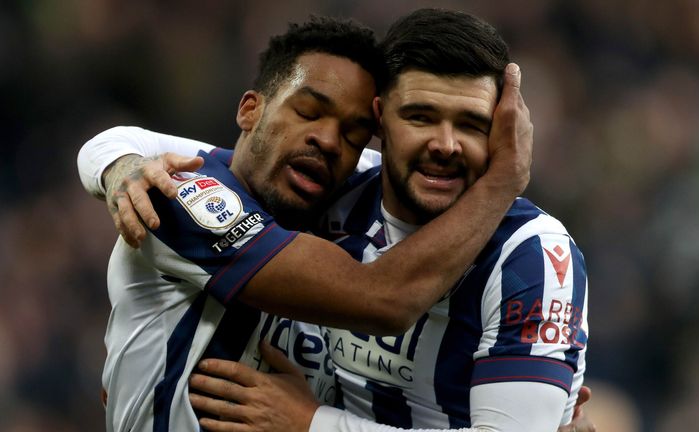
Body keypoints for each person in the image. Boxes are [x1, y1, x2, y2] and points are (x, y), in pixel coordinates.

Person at [80, 9, 590, 432]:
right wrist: (117, 164)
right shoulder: (185, 194)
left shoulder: (532, 254)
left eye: (472, 125)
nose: (444, 144)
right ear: (385, 123)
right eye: (419, 117)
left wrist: (311, 423)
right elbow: (383, 298)